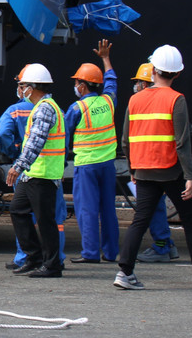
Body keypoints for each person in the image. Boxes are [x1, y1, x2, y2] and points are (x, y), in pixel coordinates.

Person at [114, 45, 192, 290]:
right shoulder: (176, 100)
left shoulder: (135, 100)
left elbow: (125, 141)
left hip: (144, 171)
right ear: (177, 74)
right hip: (172, 171)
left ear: (154, 70)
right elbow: (182, 142)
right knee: (190, 220)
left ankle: (124, 273)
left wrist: (134, 170)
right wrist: (190, 176)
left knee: (140, 221)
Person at [0, 65, 67, 270]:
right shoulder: (42, 107)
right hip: (33, 174)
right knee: (18, 211)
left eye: (23, 85)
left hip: (43, 174)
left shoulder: (45, 108)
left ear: (33, 86)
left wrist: (17, 166)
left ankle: (52, 264)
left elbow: (36, 142)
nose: (21, 90)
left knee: (46, 221)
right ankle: (34, 257)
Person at [65, 39, 119, 264]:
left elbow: (64, 138)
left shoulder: (76, 108)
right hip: (107, 165)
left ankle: (90, 253)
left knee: (87, 210)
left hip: (86, 166)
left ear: (83, 85)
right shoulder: (108, 101)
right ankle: (111, 252)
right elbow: (111, 81)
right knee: (108, 209)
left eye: (77, 82)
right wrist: (105, 58)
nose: (75, 85)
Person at [129, 62, 179, 262]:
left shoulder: (145, 102)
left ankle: (162, 245)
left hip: (152, 166)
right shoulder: (157, 101)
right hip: (158, 165)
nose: (137, 86)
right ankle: (166, 243)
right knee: (153, 208)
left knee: (151, 210)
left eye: (140, 82)